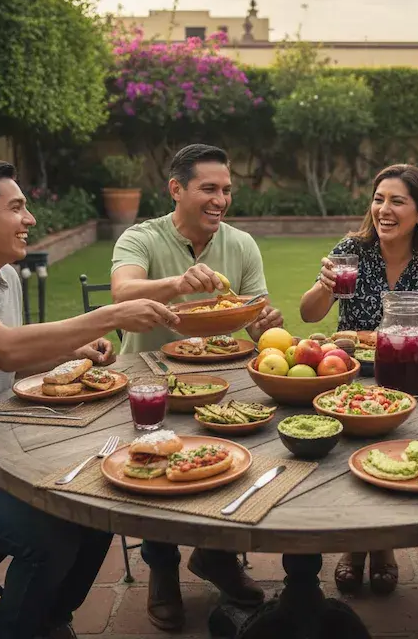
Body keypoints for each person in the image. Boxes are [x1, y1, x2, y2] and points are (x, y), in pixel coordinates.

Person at [0, 160, 180, 639]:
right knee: (52, 536)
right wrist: (111, 314)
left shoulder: (4, 279)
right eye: (17, 207)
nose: (31, 219)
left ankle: (40, 619)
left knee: (99, 505)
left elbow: (11, 363)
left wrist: (70, 352)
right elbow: (4, 346)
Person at [110, 143, 283, 632]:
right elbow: (123, 290)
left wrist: (263, 320)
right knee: (152, 468)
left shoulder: (241, 244)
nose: (220, 200)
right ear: (176, 189)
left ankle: (216, 555)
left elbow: (252, 319)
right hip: (150, 380)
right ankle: (161, 569)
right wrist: (179, 283)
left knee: (251, 452)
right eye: (209, 188)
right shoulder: (140, 237)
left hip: (221, 381)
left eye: (226, 190)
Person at [299, 163, 418, 596]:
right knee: (351, 457)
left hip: (408, 374)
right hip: (348, 374)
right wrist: (326, 286)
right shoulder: (352, 249)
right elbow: (309, 314)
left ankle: (382, 546)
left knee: (395, 454)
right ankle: (356, 547)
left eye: (397, 201)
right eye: (378, 199)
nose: (384, 210)